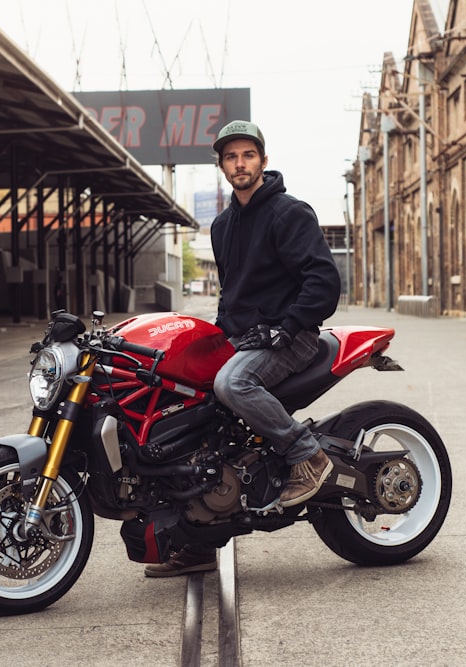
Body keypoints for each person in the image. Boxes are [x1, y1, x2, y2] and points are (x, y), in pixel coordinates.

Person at [145, 120, 342, 577]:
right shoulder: (222, 225)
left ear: (263, 161)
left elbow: (323, 282)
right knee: (178, 403)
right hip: (244, 337)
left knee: (232, 383)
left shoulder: (289, 213)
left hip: (291, 337)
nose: (240, 163)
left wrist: (287, 326)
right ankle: (198, 538)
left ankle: (307, 457)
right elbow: (232, 294)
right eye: (231, 157)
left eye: (247, 155)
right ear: (222, 166)